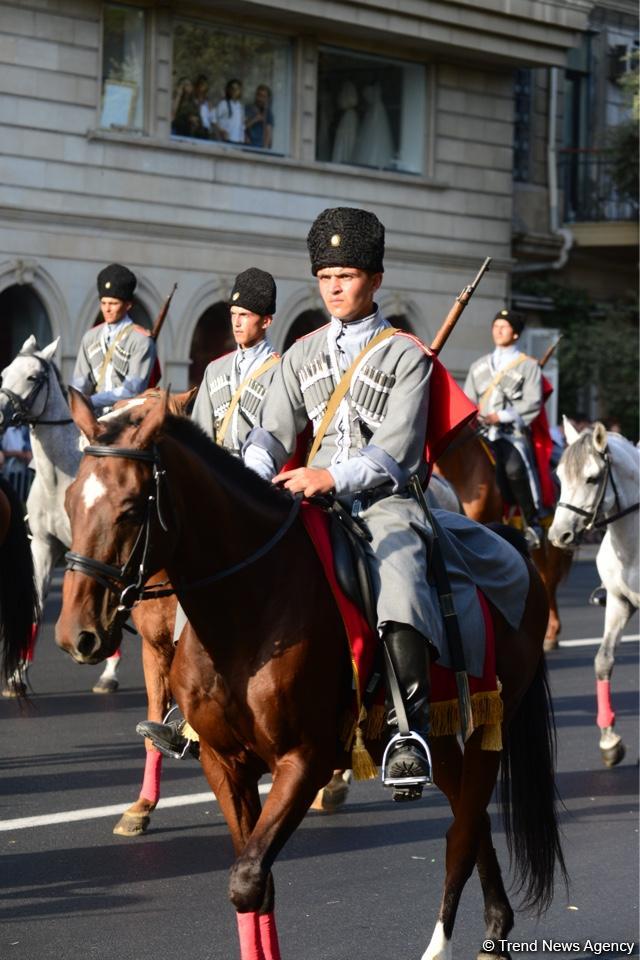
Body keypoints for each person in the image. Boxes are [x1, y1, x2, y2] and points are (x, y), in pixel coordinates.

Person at [241, 208, 441, 800]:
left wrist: (330, 475)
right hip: (307, 495)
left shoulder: (406, 354)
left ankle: (411, 733)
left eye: (346, 274)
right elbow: (271, 433)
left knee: (401, 575)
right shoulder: (300, 353)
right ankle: (195, 701)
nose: (333, 286)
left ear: (374, 280)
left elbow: (396, 451)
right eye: (325, 275)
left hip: (381, 500)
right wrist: (250, 482)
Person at [136, 267, 280, 757]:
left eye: (246, 315)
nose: (237, 323)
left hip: (256, 490)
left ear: (267, 320)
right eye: (234, 314)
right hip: (212, 496)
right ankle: (186, 708)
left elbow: (280, 436)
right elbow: (197, 440)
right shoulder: (216, 371)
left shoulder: (280, 369)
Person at [464, 308, 545, 549]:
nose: (498, 330)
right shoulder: (479, 366)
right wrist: (474, 415)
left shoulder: (528, 367)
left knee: (514, 469)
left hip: (510, 433)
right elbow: (468, 398)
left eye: (504, 326)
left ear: (516, 334)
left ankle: (532, 522)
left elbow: (532, 402)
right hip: (481, 432)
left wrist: (501, 415)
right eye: (495, 325)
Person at [71, 264, 157, 415]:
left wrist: (92, 401)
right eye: (103, 303)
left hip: (127, 417)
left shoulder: (141, 340)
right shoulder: (90, 337)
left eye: (113, 303)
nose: (107, 309)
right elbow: (80, 383)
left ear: (128, 305)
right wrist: (77, 401)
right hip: (93, 415)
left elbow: (132, 389)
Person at [0, 424, 32, 502]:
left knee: (22, 501)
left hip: (23, 474)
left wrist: (27, 456)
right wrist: (18, 454)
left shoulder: (25, 430)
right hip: (7, 474)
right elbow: (1, 454)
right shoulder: (4, 431)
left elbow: (29, 453)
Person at [212, 78, 245, 143]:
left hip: (238, 141)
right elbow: (213, 119)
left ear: (240, 91)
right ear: (228, 90)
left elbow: (242, 125)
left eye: (237, 89)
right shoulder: (223, 104)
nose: (234, 91)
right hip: (225, 140)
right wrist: (221, 131)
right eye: (232, 88)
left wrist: (242, 138)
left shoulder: (240, 106)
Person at [244, 84, 274, 149]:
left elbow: (268, 132)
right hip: (247, 146)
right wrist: (255, 119)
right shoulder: (247, 109)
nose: (260, 98)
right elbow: (242, 127)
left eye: (263, 96)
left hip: (260, 148)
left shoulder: (268, 112)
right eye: (259, 95)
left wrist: (265, 148)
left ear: (267, 99)